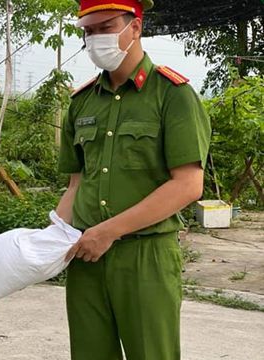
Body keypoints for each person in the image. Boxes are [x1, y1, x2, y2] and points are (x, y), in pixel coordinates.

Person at [56, 1, 211, 359]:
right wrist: (54, 236)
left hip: (146, 257)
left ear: (135, 28)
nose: (96, 39)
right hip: (87, 255)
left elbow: (188, 184)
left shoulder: (173, 95)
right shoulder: (81, 103)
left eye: (105, 27)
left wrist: (108, 231)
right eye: (88, 31)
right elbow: (75, 185)